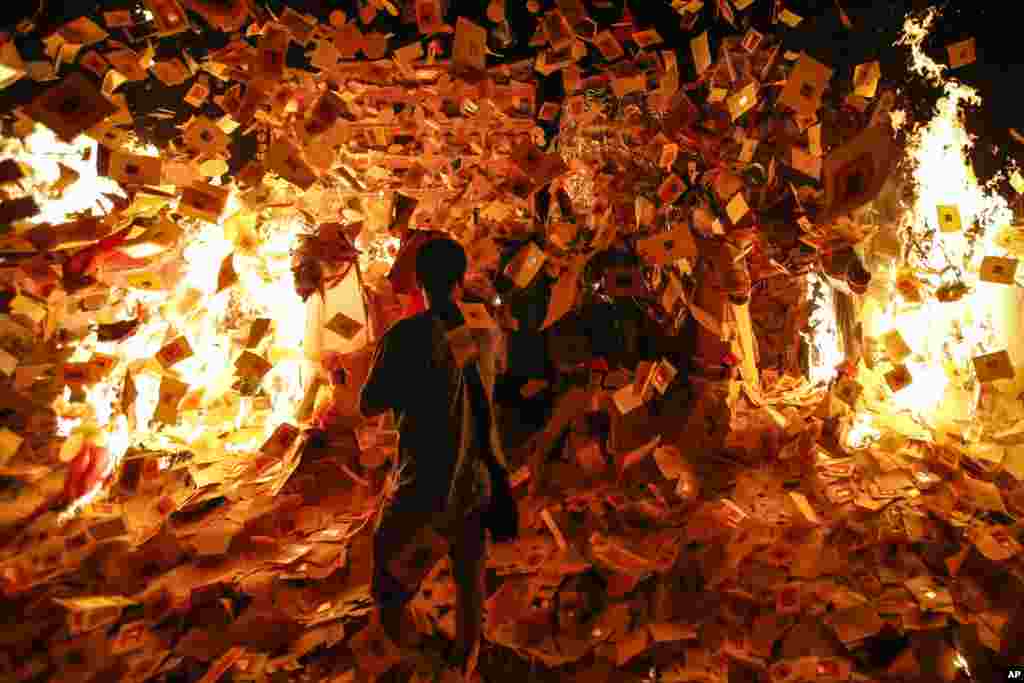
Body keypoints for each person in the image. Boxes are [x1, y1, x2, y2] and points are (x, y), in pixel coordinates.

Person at [360, 236, 517, 679]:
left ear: (417, 280)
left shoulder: (405, 336)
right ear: (461, 276)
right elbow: (487, 371)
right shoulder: (483, 325)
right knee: (469, 571)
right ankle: (466, 657)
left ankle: (418, 661)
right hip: (478, 473)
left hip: (425, 483)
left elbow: (370, 402)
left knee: (387, 580)